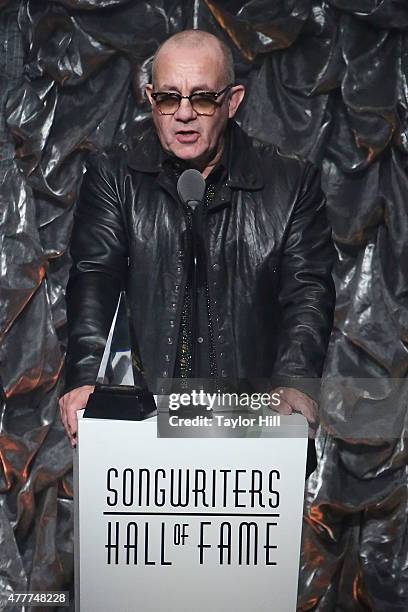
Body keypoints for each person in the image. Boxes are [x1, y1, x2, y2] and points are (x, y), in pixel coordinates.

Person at [59, 30, 335, 478]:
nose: (183, 114)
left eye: (203, 98)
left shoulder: (291, 183)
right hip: (141, 427)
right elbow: (95, 276)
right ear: (150, 98)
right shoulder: (114, 175)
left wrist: (295, 383)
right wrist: (86, 377)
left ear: (233, 100)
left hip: (250, 426)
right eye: (168, 97)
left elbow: (308, 292)